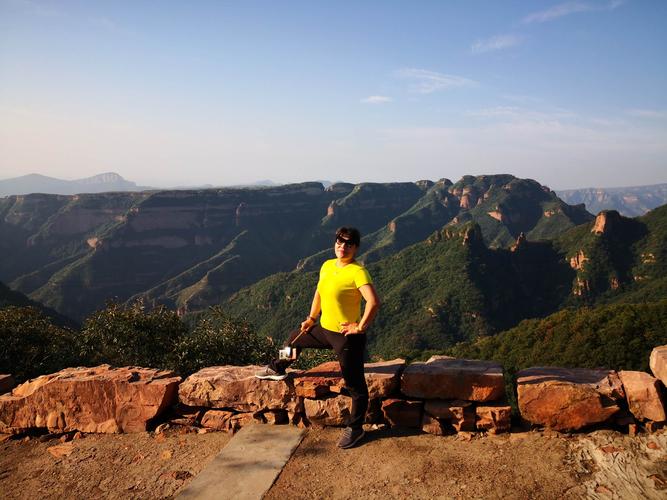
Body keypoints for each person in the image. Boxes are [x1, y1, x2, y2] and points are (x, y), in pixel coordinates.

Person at [255, 226, 380, 449]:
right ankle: (278, 366)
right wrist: (311, 318)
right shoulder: (327, 265)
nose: (343, 247)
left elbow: (373, 302)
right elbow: (320, 293)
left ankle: (355, 428)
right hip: (324, 329)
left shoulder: (357, 272)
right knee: (295, 338)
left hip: (346, 337)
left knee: (355, 385)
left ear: (356, 247)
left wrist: (359, 327)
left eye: (348, 244)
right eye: (339, 242)